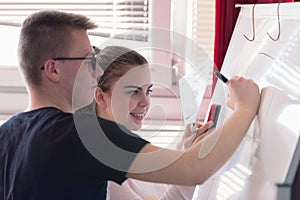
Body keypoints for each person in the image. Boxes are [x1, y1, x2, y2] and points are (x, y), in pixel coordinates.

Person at [0, 10, 261, 200]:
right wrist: (245, 108)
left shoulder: (7, 133)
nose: (97, 69)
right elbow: (196, 169)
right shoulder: (82, 135)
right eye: (89, 60)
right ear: (53, 69)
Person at [81, 45, 209, 199]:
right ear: (101, 97)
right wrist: (189, 171)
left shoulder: (129, 151)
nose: (146, 102)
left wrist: (183, 151)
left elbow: (162, 190)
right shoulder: (104, 163)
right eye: (134, 91)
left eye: (148, 91)